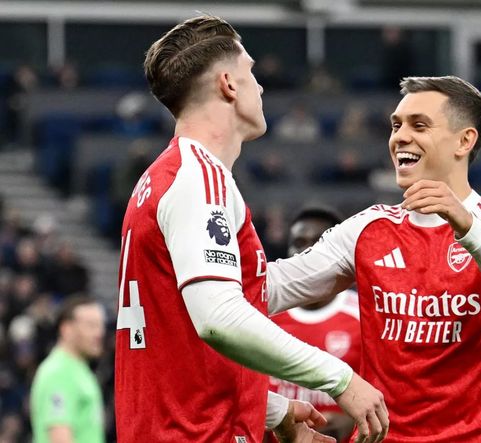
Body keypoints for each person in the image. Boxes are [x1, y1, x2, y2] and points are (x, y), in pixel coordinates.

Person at [114, 15, 388, 443]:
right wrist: (340, 379)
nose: (260, 88)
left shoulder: (166, 176)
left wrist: (273, 410)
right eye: (251, 73)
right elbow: (220, 318)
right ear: (228, 84)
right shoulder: (200, 179)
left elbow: (193, 320)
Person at [267, 76, 481, 441]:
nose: (400, 137)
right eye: (396, 125)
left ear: (464, 141)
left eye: (419, 125)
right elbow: (270, 287)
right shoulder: (368, 228)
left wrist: (467, 227)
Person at [267, 207, 361, 443]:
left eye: (318, 244)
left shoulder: (362, 314)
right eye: (298, 243)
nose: (306, 252)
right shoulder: (262, 316)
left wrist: (350, 421)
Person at [30, 296, 106, 443]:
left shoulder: (79, 369)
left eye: (100, 325)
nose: (99, 333)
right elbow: (59, 437)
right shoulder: (59, 372)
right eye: (91, 325)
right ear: (66, 329)